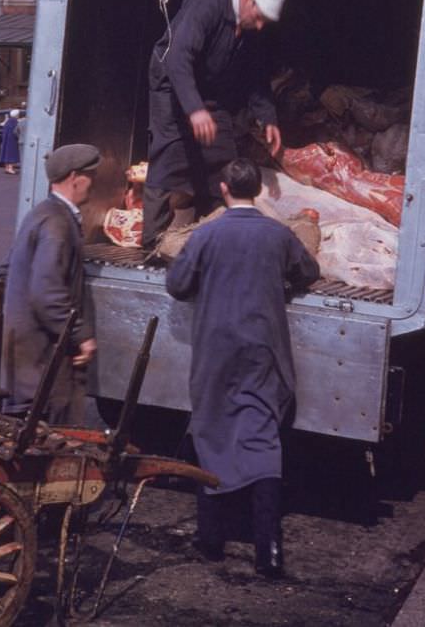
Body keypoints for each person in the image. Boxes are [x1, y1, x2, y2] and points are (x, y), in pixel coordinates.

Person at [166, 158, 319, 578]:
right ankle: (269, 550)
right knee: (262, 434)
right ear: (259, 191)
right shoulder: (278, 235)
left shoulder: (207, 234)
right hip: (263, 349)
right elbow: (308, 271)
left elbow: (177, 285)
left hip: (216, 349)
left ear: (223, 189)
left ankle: (212, 540)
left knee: (212, 429)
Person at [143, 0, 285, 249]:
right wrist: (194, 109)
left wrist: (269, 118)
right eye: (260, 17)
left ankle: (211, 233)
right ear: (249, 0)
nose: (261, 26)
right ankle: (153, 242)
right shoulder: (206, 5)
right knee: (169, 154)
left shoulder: (250, 29)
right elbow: (178, 57)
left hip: (211, 94)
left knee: (222, 156)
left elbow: (256, 77)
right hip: (172, 86)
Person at [2, 143, 100, 425]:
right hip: (42, 353)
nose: (93, 184)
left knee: (25, 426)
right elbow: (47, 292)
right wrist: (81, 335)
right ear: (75, 178)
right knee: (48, 431)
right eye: (91, 176)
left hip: (27, 347)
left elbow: (4, 272)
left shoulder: (41, 213)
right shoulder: (57, 223)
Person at [0, 108, 20, 175]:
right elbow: (16, 132)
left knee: (7, 153)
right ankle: (10, 168)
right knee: (12, 154)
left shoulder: (8, 122)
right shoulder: (15, 122)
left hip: (6, 140)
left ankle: (7, 168)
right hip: (13, 141)